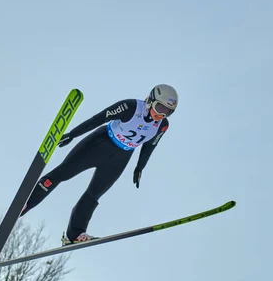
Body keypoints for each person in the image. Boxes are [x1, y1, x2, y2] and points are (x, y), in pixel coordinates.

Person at [20, 84, 178, 245]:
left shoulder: (162, 125)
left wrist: (140, 167)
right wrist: (73, 134)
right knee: (62, 173)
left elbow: (150, 146)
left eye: (168, 112)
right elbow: (99, 118)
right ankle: (26, 203)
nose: (161, 114)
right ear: (151, 100)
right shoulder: (131, 107)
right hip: (99, 143)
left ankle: (74, 234)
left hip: (120, 158)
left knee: (94, 195)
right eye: (159, 108)